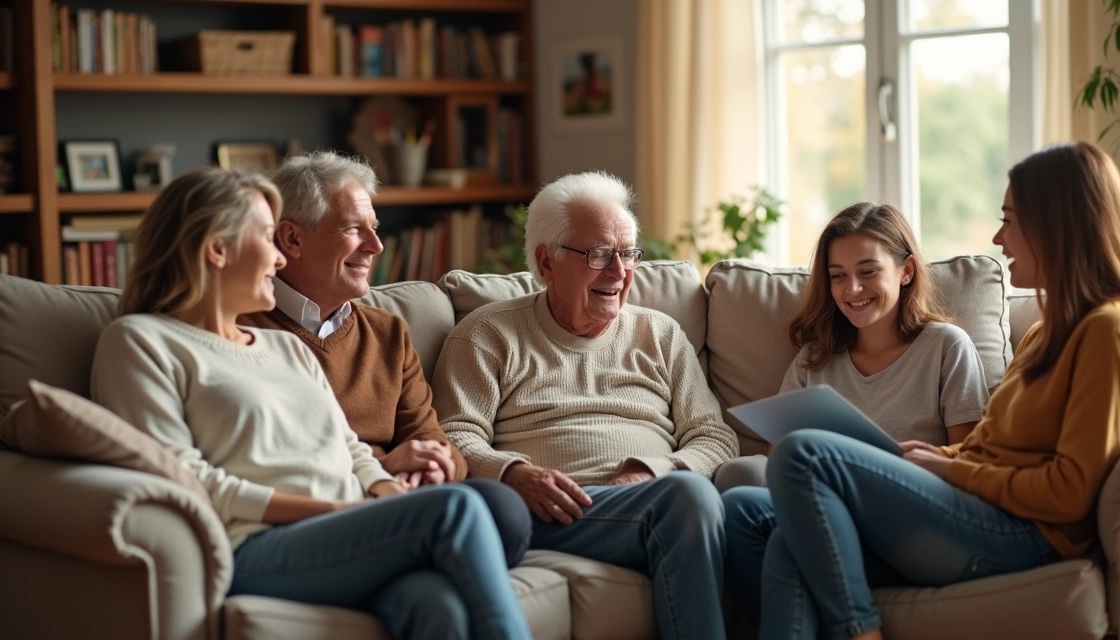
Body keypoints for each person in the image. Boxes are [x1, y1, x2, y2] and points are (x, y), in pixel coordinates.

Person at [724, 141, 1120, 640]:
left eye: (1011, 220)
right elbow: (995, 445)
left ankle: (859, 631)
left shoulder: (1112, 331)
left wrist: (951, 468)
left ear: (1056, 226)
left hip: (1023, 532)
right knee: (754, 518)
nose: (1000, 238)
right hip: (979, 508)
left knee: (804, 454)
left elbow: (1070, 492)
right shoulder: (1052, 330)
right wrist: (932, 458)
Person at [91, 167, 531, 640]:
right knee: (454, 510)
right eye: (266, 237)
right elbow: (184, 479)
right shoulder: (140, 341)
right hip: (253, 544)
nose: (278, 259)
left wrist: (383, 492)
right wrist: (332, 511)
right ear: (217, 250)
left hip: (345, 527)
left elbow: (350, 449)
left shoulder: (284, 347)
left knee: (436, 603)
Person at [432, 171, 740, 639]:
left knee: (718, 501)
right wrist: (512, 473)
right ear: (546, 261)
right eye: (599, 254)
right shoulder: (487, 334)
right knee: (691, 499)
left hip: (653, 503)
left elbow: (715, 436)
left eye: (628, 254)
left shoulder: (659, 335)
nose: (619, 272)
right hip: (553, 514)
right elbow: (452, 434)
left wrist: (653, 471)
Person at [239, 151, 530, 567]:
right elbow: (269, 456)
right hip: (324, 506)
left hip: (402, 498)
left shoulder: (387, 331)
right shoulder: (243, 329)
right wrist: (385, 465)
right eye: (354, 229)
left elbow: (431, 438)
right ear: (292, 239)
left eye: (374, 229)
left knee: (504, 509)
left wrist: (434, 465)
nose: (375, 246)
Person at [714, 202, 989, 496]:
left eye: (868, 271)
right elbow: (777, 464)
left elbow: (967, 463)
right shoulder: (814, 359)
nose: (852, 289)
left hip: (908, 502)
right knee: (740, 474)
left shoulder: (946, 347)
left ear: (906, 271)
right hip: (818, 499)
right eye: (838, 275)